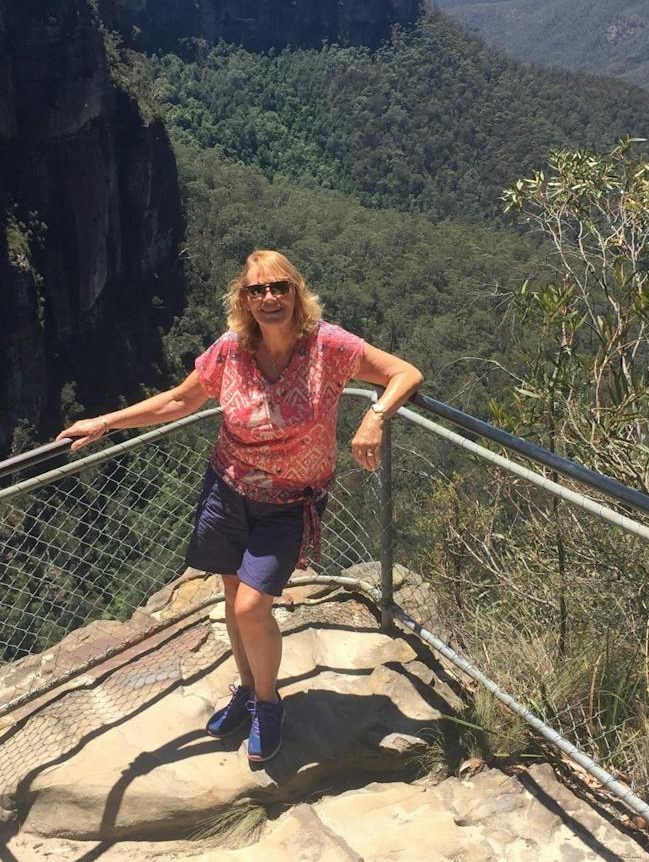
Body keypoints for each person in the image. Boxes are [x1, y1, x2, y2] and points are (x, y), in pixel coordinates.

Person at [57, 250, 422, 764]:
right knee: (234, 603)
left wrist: (375, 416)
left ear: (297, 291)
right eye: (257, 290)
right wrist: (104, 423)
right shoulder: (231, 350)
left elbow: (405, 373)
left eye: (279, 287)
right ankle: (248, 690)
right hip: (227, 490)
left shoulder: (329, 347)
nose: (269, 298)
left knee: (253, 608)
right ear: (243, 300)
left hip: (289, 503)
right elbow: (180, 401)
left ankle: (268, 706)